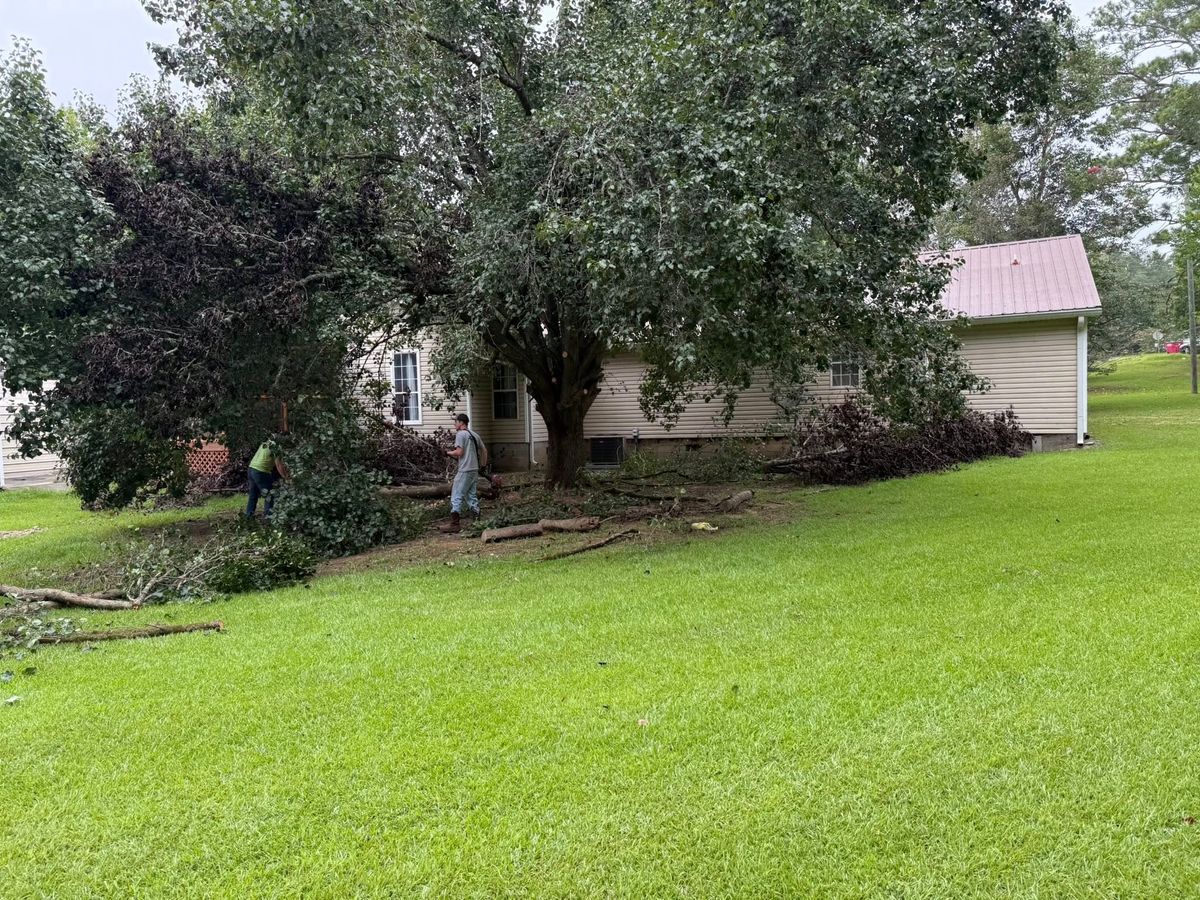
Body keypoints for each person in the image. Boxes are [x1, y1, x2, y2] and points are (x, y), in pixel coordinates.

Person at [442, 413, 487, 533]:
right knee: (470, 495)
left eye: (455, 422)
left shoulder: (461, 434)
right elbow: (484, 450)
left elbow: (459, 452)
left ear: (461, 423)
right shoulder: (474, 435)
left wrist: (447, 453)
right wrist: (482, 465)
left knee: (456, 494)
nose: (454, 424)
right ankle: (477, 521)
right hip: (474, 469)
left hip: (465, 470)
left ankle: (455, 524)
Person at [246, 439, 290, 518]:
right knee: (270, 495)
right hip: (261, 471)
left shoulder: (267, 442)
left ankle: (248, 516)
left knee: (253, 494)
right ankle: (268, 518)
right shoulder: (277, 447)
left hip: (251, 469)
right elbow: (279, 465)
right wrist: (286, 477)